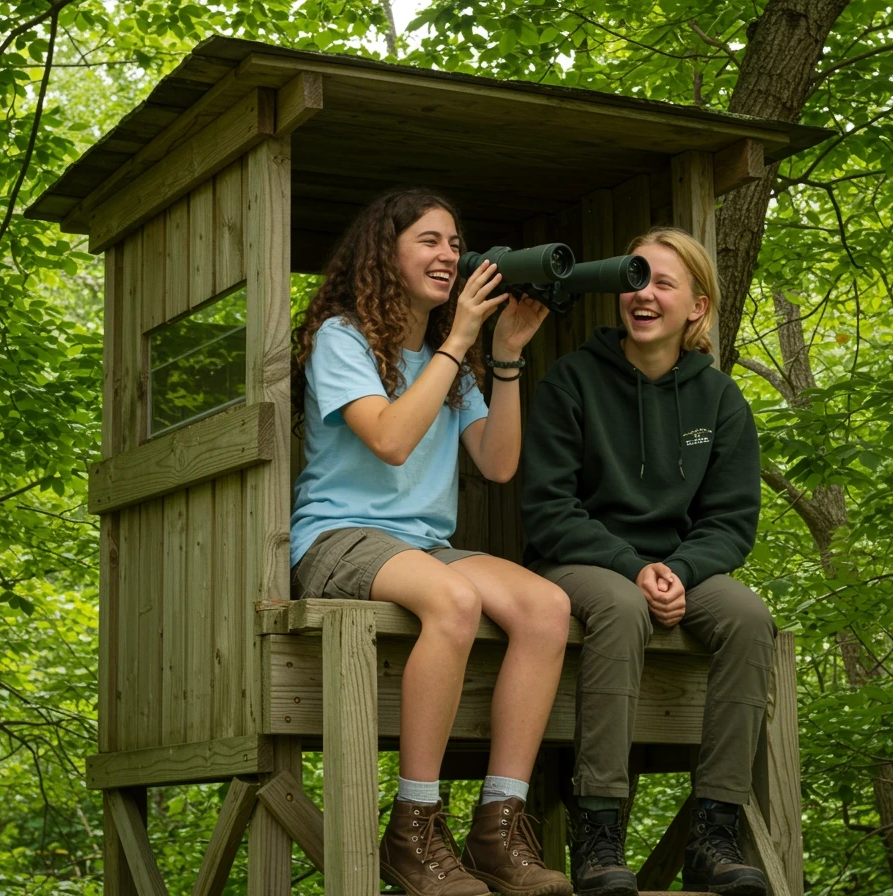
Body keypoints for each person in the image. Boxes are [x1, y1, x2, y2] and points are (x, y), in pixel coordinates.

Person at [291, 187, 573, 896]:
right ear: (384, 252)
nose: (448, 254)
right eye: (429, 240)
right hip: (338, 537)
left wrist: (503, 354)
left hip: (421, 547)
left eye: (455, 243)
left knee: (547, 608)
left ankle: (498, 824)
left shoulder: (453, 362)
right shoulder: (343, 338)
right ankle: (414, 825)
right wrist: (458, 342)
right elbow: (388, 440)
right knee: (452, 602)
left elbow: (499, 463)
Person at [521, 227, 775, 896]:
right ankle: (599, 831)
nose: (642, 294)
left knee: (750, 617)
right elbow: (549, 510)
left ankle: (715, 832)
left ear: (696, 306)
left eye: (662, 283)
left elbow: (730, 522)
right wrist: (634, 567)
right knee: (621, 605)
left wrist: (681, 572)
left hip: (679, 567)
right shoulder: (572, 381)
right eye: (634, 279)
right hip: (580, 561)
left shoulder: (720, 399)